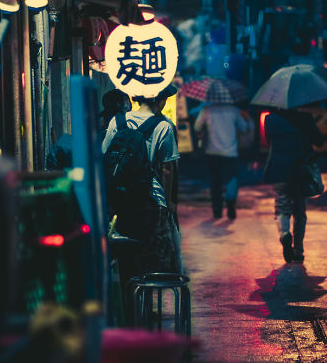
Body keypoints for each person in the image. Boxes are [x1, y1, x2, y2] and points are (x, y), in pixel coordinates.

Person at [101, 84, 183, 304]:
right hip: (150, 201)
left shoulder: (116, 121)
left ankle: (129, 308)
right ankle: (146, 308)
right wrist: (168, 203)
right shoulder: (164, 127)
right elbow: (167, 169)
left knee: (125, 259)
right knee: (150, 261)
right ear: (160, 100)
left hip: (119, 202)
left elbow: (104, 158)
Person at [262, 107, 323, 263]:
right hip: (300, 170)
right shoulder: (305, 118)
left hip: (278, 168)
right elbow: (319, 141)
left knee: (281, 206)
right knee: (300, 211)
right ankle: (298, 251)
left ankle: (284, 234)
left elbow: (269, 141)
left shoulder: (270, 119)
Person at [193, 102, 253, 219]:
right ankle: (230, 201)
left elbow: (196, 127)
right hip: (230, 153)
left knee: (215, 182)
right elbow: (245, 128)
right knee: (231, 178)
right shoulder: (234, 110)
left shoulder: (207, 110)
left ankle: (217, 211)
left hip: (212, 152)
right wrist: (247, 118)